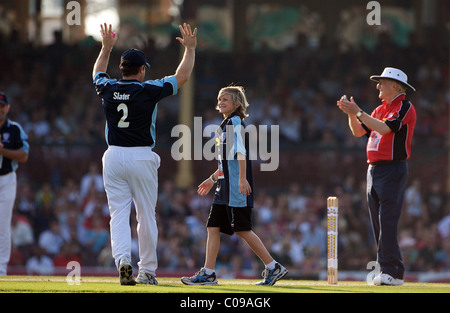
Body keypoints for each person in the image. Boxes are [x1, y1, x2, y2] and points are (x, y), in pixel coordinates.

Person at [93, 23, 197, 285]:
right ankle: (147, 271)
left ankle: (123, 261)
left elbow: (97, 73)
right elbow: (181, 77)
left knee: (118, 214)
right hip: (141, 155)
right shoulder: (147, 89)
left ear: (121, 68)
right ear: (141, 70)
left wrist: (106, 47)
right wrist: (191, 50)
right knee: (145, 215)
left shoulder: (108, 88)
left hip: (114, 155)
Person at [181, 86, 288, 286]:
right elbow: (226, 163)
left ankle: (273, 267)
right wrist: (212, 179)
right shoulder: (226, 124)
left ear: (237, 104)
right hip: (224, 187)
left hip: (234, 189)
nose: (221, 102)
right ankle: (209, 273)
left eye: (226, 100)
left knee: (242, 229)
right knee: (213, 227)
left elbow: (240, 153)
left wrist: (241, 179)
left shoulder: (235, 122)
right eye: (220, 99)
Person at [337, 67, 417, 286]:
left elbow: (384, 129)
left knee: (387, 221)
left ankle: (392, 271)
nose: (378, 86)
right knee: (378, 223)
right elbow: (357, 131)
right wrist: (352, 114)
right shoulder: (380, 108)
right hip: (374, 168)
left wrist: (358, 111)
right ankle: (390, 270)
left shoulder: (404, 106)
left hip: (392, 168)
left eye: (382, 82)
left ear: (395, 85)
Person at [0, 92, 29, 275]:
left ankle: (1, 269)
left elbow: (24, 155)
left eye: (2, 107)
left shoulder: (15, 129)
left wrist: (3, 152)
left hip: (7, 179)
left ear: (7, 108)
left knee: (3, 224)